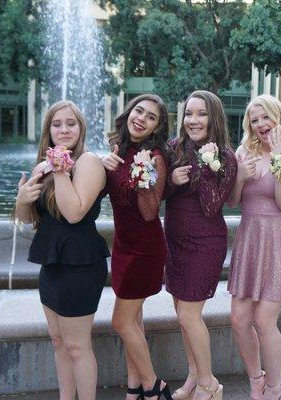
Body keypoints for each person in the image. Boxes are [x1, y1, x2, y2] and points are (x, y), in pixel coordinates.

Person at [15, 100, 110, 400]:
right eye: (57, 124)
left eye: (71, 123)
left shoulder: (88, 162)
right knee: (58, 341)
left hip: (80, 265)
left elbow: (74, 213)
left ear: (81, 128)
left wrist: (59, 170)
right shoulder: (42, 166)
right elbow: (31, 218)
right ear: (49, 129)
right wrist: (21, 199)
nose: (64, 129)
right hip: (52, 264)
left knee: (77, 345)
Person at [227, 94, 281, 400]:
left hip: (280, 240)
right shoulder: (244, 151)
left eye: (266, 117)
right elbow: (234, 202)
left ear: (279, 117)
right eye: (254, 119)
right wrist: (240, 176)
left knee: (264, 320)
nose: (261, 124)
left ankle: (275, 388)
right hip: (251, 237)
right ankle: (256, 381)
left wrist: (280, 158)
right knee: (239, 319)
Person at [165, 90, 238, 400]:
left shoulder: (226, 157)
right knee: (183, 316)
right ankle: (193, 379)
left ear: (213, 118)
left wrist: (207, 166)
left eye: (201, 114)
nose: (192, 120)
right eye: (189, 114)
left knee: (188, 316)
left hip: (205, 243)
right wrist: (172, 181)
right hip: (175, 241)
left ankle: (210, 385)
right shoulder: (173, 148)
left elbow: (212, 206)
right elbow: (157, 195)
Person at [101, 94, 173, 400]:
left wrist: (142, 177)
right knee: (134, 321)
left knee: (120, 321)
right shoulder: (118, 150)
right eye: (139, 111)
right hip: (122, 245)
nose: (141, 118)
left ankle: (154, 385)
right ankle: (134, 389)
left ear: (156, 127)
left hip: (145, 249)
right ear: (129, 112)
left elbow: (148, 212)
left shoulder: (155, 157)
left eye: (151, 117)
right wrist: (102, 165)